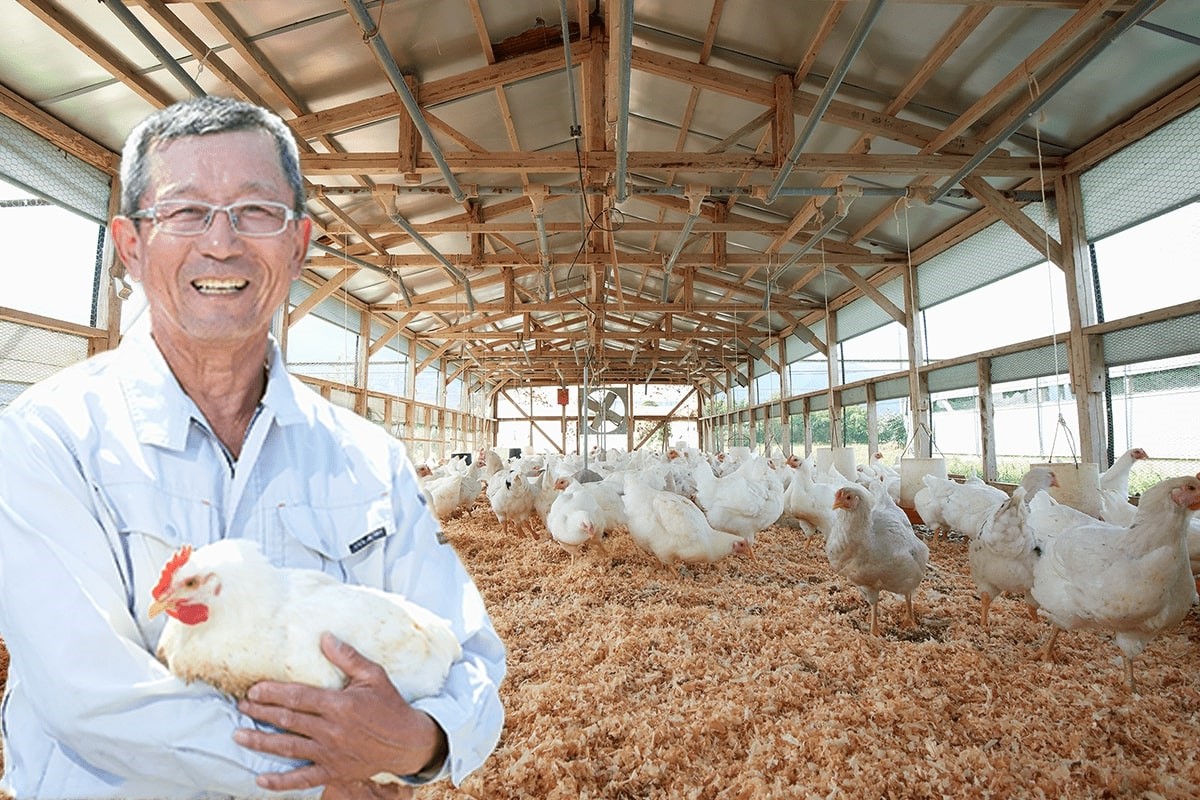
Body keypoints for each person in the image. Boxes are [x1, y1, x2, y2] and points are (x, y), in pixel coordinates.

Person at [0, 96, 506, 799]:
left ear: (297, 244)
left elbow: (471, 654)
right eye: (185, 212)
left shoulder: (370, 458)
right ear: (130, 244)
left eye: (256, 212)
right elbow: (89, 696)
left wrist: (424, 742)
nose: (222, 242)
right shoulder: (44, 441)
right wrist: (322, 779)